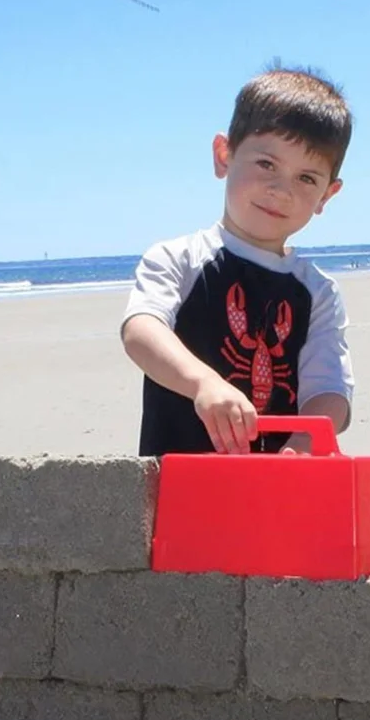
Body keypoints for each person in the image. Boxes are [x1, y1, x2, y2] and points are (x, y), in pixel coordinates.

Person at [121, 66, 354, 456]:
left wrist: (304, 442)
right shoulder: (179, 259)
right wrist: (203, 383)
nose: (281, 191)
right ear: (223, 155)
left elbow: (330, 389)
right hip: (179, 482)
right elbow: (141, 331)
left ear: (327, 196)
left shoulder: (318, 293)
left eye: (306, 179)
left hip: (280, 486)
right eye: (266, 164)